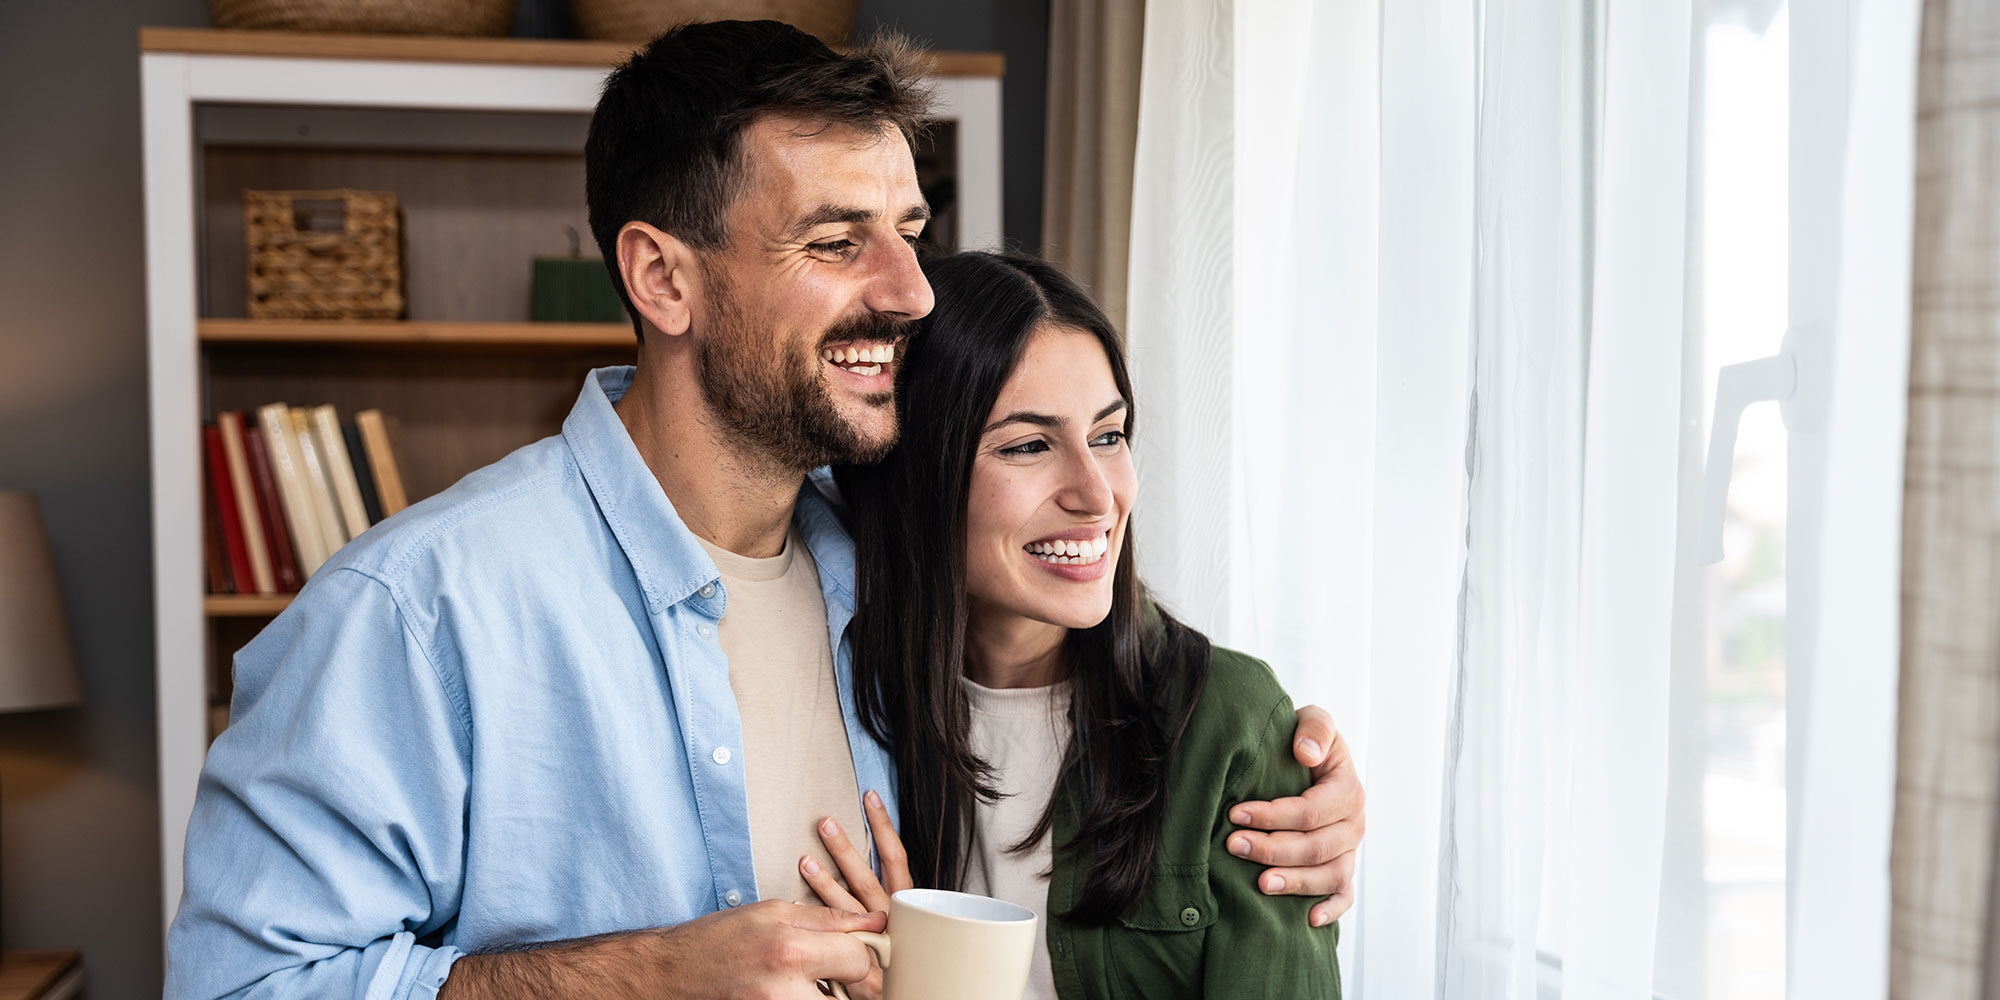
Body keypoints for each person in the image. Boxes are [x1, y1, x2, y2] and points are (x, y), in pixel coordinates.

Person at [165, 21, 1363, 1000]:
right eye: (835, 241)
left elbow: (1103, 649)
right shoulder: (419, 611)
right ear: (661, 277)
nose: (906, 295)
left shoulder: (894, 562)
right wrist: (646, 977)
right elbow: (237, 987)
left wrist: (1288, 784)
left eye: (907, 234)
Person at [801, 250, 1340, 999]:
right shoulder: (849, 695)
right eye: (1029, 446)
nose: (1097, 494)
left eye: (1109, 435)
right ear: (918, 477)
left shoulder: (1231, 726)